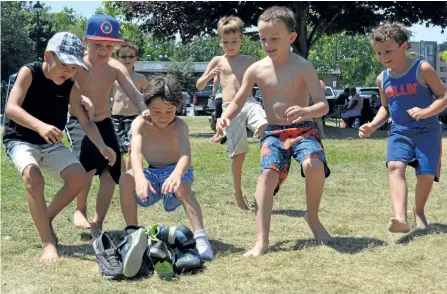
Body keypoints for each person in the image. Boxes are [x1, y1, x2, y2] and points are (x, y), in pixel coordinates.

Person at [217, 6, 331, 257]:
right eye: (263, 38)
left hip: (303, 130)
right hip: (274, 133)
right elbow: (237, 101)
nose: (267, 44)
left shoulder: (303, 66)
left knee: (313, 164)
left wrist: (306, 111)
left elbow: (323, 105)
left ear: (291, 37)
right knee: (267, 176)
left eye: (274, 38)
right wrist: (224, 117)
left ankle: (312, 217)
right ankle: (261, 240)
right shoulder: (256, 69)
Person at [2, 32, 116, 262]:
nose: (68, 72)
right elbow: (11, 109)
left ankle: (45, 217)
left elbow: (85, 121)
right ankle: (47, 242)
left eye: (74, 68)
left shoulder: (70, 86)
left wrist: (103, 147)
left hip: (50, 144)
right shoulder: (29, 72)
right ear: (48, 56)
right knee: (33, 178)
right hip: (20, 140)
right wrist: (40, 126)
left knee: (79, 178)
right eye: (63, 64)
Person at [359, 22, 447, 233]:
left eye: (388, 51)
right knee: (394, 166)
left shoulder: (422, 68)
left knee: (425, 176)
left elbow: (443, 96)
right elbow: (385, 107)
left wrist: (426, 112)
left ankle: (419, 211)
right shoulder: (382, 79)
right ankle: (400, 217)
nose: (383, 56)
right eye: (379, 53)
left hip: (428, 131)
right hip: (399, 131)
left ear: (404, 46)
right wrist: (372, 125)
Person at [65, 14, 147, 237]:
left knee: (111, 172)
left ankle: (98, 221)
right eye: (97, 45)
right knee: (85, 170)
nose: (103, 51)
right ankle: (79, 209)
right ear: (85, 42)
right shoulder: (76, 65)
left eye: (109, 46)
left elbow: (134, 93)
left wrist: (145, 109)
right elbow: (64, 91)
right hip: (78, 122)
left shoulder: (115, 67)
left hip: (104, 121)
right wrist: (82, 99)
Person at [119, 75, 213, 260]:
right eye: (156, 111)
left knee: (180, 187)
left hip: (176, 171)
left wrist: (177, 174)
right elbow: (135, 153)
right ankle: (132, 232)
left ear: (177, 107)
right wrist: (139, 178)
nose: (163, 117)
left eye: (169, 111)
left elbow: (186, 155)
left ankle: (201, 238)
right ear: (147, 107)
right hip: (151, 173)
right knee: (125, 179)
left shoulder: (179, 125)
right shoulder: (140, 123)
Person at [196, 16, 268, 210]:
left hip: (249, 102)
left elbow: (263, 81)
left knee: (262, 122)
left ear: (242, 40)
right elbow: (199, 84)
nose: (230, 45)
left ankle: (264, 138)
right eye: (225, 42)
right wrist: (210, 76)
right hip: (229, 108)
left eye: (234, 41)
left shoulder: (249, 60)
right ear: (220, 41)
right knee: (238, 154)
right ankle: (237, 192)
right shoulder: (218, 60)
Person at [110, 40, 149, 172]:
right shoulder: (112, 77)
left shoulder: (140, 78)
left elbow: (148, 97)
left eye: (131, 56)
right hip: (116, 118)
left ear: (136, 59)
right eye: (123, 56)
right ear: (117, 58)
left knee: (134, 148)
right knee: (117, 150)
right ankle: (122, 177)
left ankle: (130, 175)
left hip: (134, 118)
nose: (127, 59)